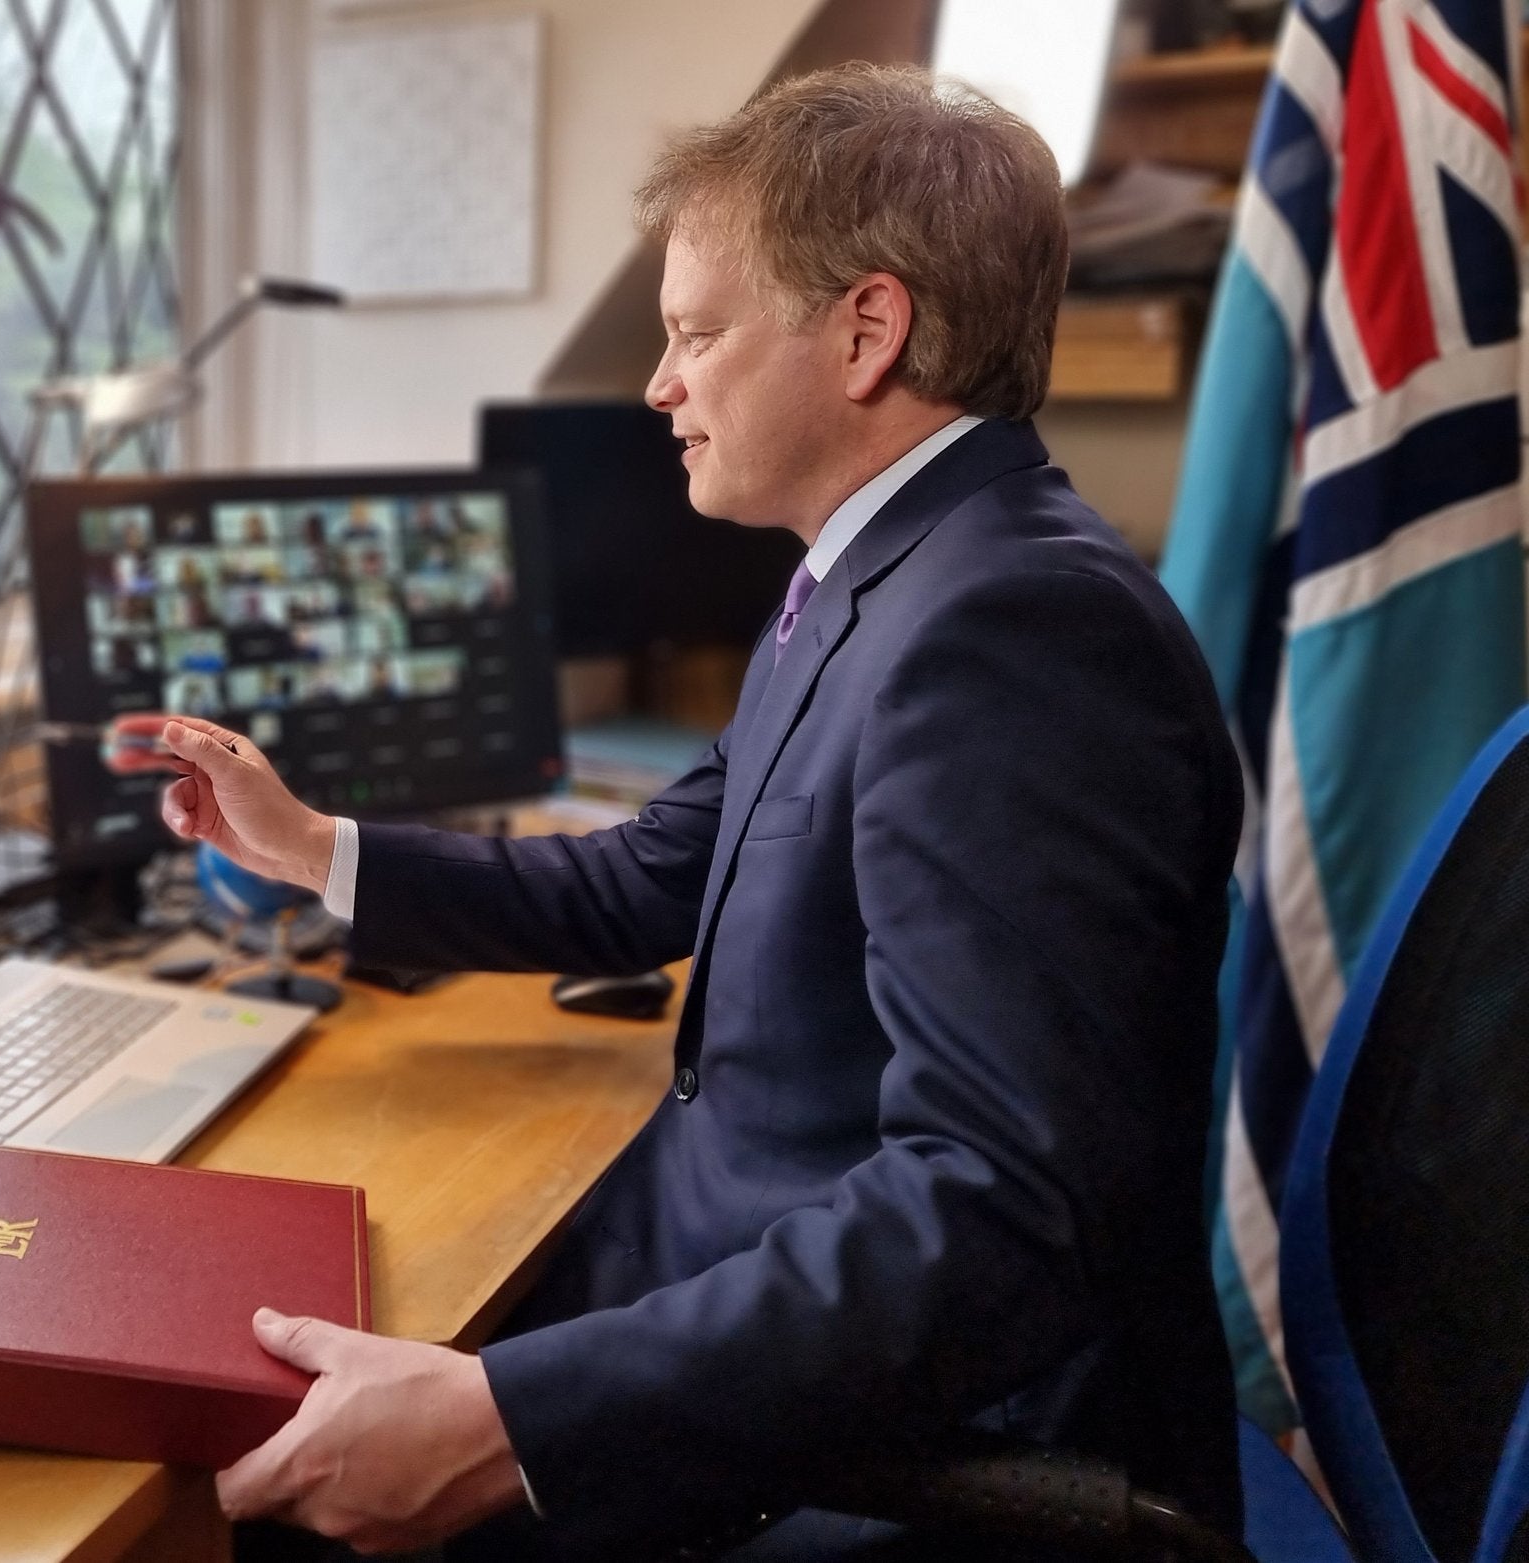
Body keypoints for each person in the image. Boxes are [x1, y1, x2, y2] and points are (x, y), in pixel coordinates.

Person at [111, 63, 1242, 1561]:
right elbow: (651, 876)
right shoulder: (886, 570)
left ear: (867, 331)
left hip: (902, 1448)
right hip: (742, 1275)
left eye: (696, 333)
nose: (659, 386)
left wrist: (516, 1418)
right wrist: (314, 848)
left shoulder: (1014, 632)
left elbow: (998, 1212)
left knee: (219, 1491)